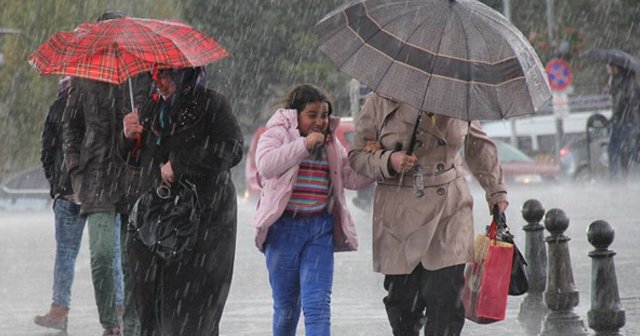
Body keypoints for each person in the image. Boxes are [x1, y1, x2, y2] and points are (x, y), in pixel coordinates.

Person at [348, 92, 509, 336]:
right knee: (402, 307)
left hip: (450, 210)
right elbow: (357, 156)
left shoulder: (459, 96)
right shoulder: (379, 100)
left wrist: (496, 192)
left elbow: (478, 147)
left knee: (446, 299)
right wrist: (389, 160)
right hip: (398, 211)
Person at [120, 66, 243, 336]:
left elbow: (231, 149)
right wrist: (129, 139)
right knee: (153, 305)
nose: (160, 83)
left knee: (193, 312)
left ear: (184, 74)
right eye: (156, 76)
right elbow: (138, 160)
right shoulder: (150, 110)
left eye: (167, 76)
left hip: (205, 222)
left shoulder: (212, 104)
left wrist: (181, 165)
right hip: (158, 222)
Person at [252, 84, 372, 336]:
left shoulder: (331, 145)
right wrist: (304, 145)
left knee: (318, 305)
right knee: (286, 309)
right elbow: (266, 165)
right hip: (283, 229)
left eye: (324, 115)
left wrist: (375, 164)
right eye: (312, 115)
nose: (320, 121)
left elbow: (350, 179)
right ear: (296, 115)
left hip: (319, 230)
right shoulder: (276, 134)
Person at [62, 11, 151, 336]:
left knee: (132, 260)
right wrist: (74, 165)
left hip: (133, 176)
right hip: (96, 176)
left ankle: (133, 326)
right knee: (101, 255)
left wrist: (134, 133)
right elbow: (70, 125)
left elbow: (153, 127)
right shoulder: (83, 77)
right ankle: (109, 325)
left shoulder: (141, 76)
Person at [34, 76, 85, 332]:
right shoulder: (101, 101)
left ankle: (60, 309)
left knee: (66, 253)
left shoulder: (59, 106)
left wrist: (57, 183)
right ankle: (119, 310)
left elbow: (47, 150)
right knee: (109, 255)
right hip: (96, 191)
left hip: (68, 192)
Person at [606, 63, 640, 179]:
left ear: (616, 68)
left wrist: (613, 91)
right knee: (629, 151)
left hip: (624, 121)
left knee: (615, 150)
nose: (607, 69)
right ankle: (620, 177)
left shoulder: (622, 82)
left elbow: (621, 103)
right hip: (630, 121)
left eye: (609, 66)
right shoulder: (629, 80)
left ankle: (614, 177)